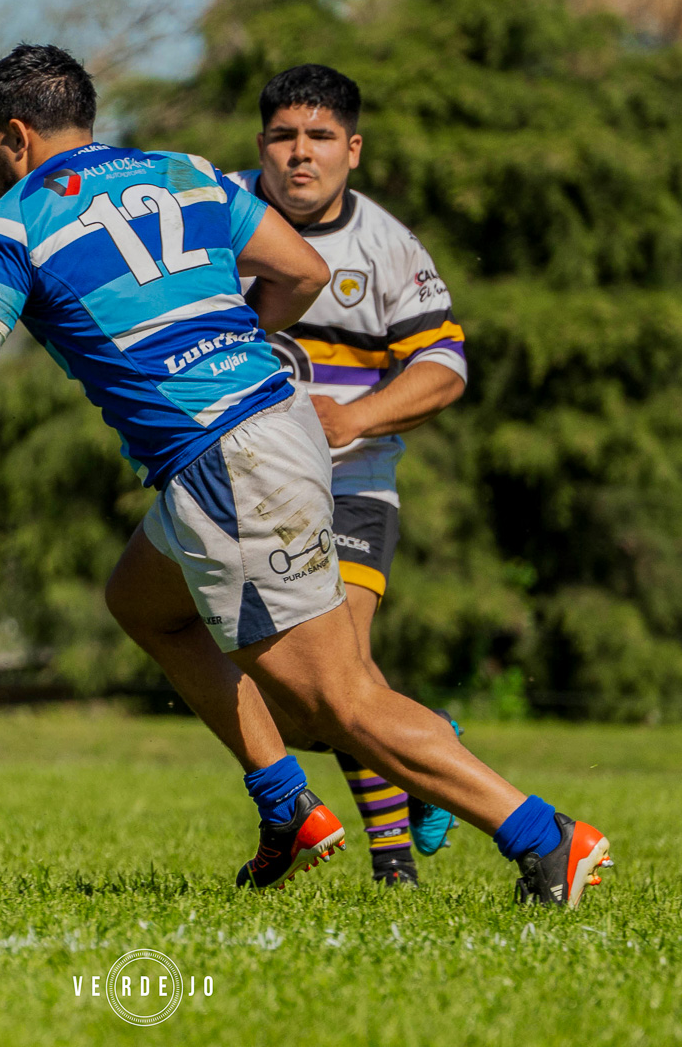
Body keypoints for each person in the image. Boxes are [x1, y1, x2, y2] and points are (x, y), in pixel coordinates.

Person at [0, 44, 614, 905]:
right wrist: (231, 340)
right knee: (144, 600)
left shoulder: (14, 223)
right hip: (270, 429)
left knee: (333, 705)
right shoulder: (189, 173)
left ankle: (547, 840)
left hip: (225, 456)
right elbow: (306, 271)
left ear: (16, 136)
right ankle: (289, 810)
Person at [225, 64, 467, 886]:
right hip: (238, 488)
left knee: (341, 677)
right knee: (295, 691)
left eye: (320, 138)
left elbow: (445, 365)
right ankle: (425, 738)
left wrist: (353, 420)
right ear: (261, 145)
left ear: (352, 150)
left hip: (351, 488)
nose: (301, 154)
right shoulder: (215, 218)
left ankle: (393, 867)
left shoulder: (387, 247)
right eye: (284, 137)